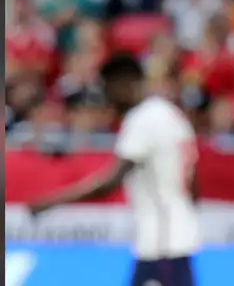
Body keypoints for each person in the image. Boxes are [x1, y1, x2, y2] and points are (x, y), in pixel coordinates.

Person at [29, 53, 200, 286]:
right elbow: (194, 180)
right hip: (176, 233)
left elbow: (111, 180)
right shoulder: (171, 114)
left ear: (124, 83)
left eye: (107, 88)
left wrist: (52, 201)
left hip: (161, 241)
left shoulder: (142, 119)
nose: (107, 97)